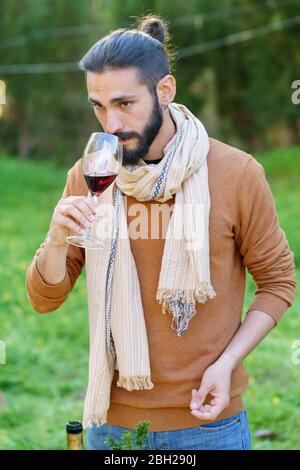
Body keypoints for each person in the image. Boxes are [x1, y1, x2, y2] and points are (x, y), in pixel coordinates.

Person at [26, 15, 296, 451]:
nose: (110, 123)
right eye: (98, 105)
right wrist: (58, 241)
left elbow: (279, 283)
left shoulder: (236, 173)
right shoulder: (90, 175)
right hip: (110, 426)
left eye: (124, 103)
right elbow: (44, 299)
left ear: (164, 91)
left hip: (210, 425)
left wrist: (227, 364)